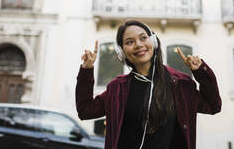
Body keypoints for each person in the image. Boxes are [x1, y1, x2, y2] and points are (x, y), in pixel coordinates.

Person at [76, 20, 221, 149]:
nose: (138, 45)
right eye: (129, 42)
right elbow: (85, 110)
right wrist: (86, 70)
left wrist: (201, 72)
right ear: (122, 52)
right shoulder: (117, 88)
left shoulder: (180, 84)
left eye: (143, 38)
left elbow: (213, 105)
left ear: (154, 42)